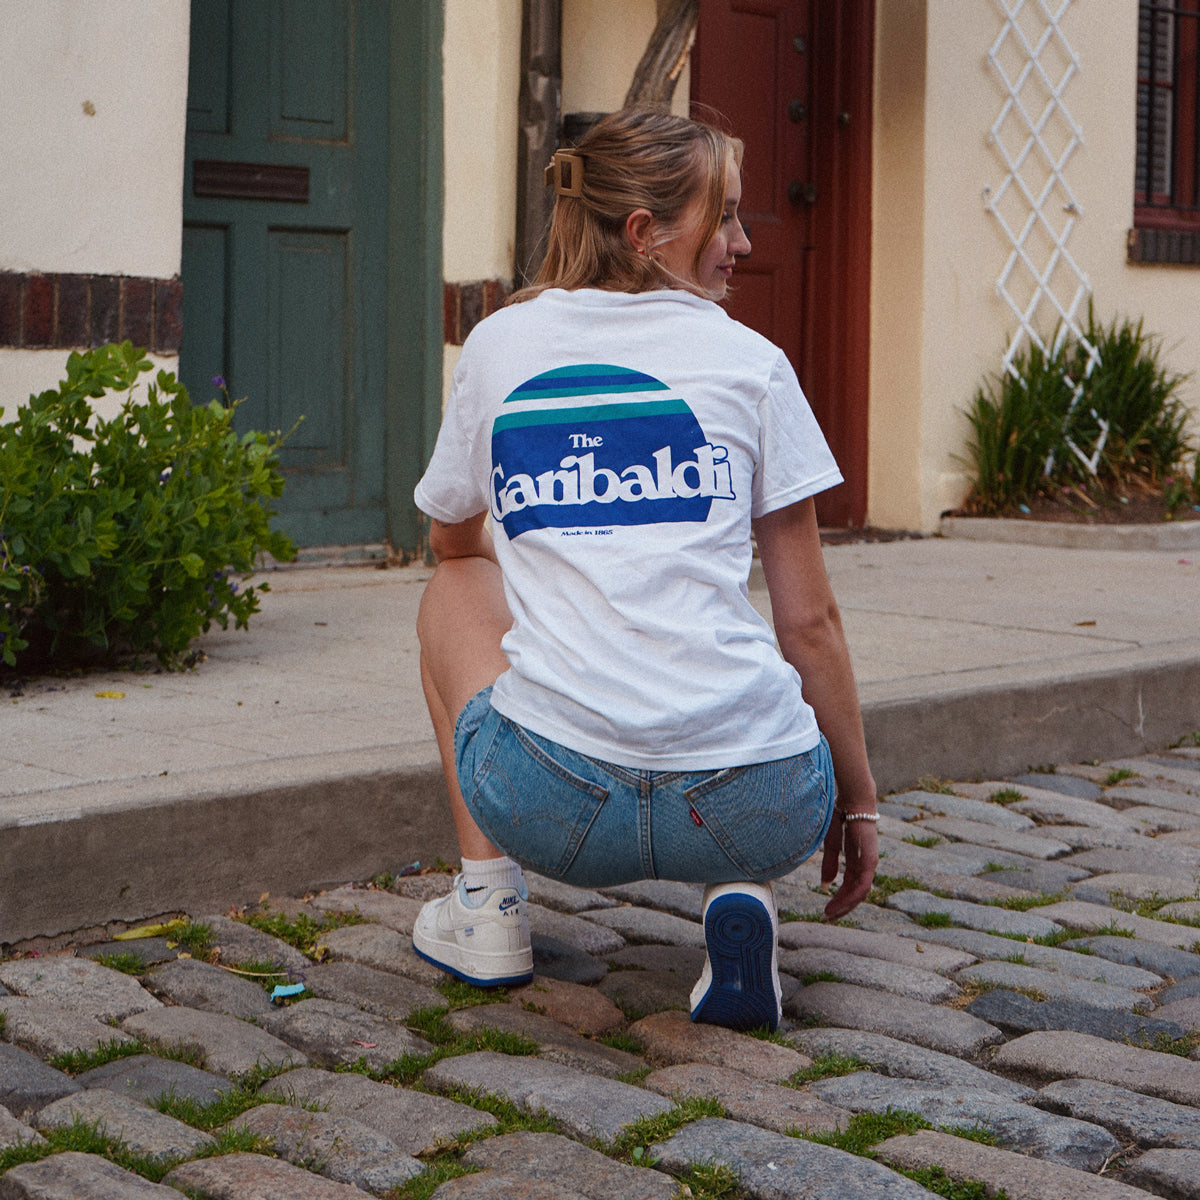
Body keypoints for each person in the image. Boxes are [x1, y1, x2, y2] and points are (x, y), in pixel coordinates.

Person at [412, 107, 878, 1032]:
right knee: (732, 684)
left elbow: (450, 542)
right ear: (644, 234)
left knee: (450, 592)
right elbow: (809, 624)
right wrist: (858, 802)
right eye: (727, 219)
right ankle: (738, 896)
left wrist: (561, 546)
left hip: (555, 803)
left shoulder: (504, 343)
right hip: (758, 803)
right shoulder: (755, 365)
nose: (743, 242)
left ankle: (487, 907)